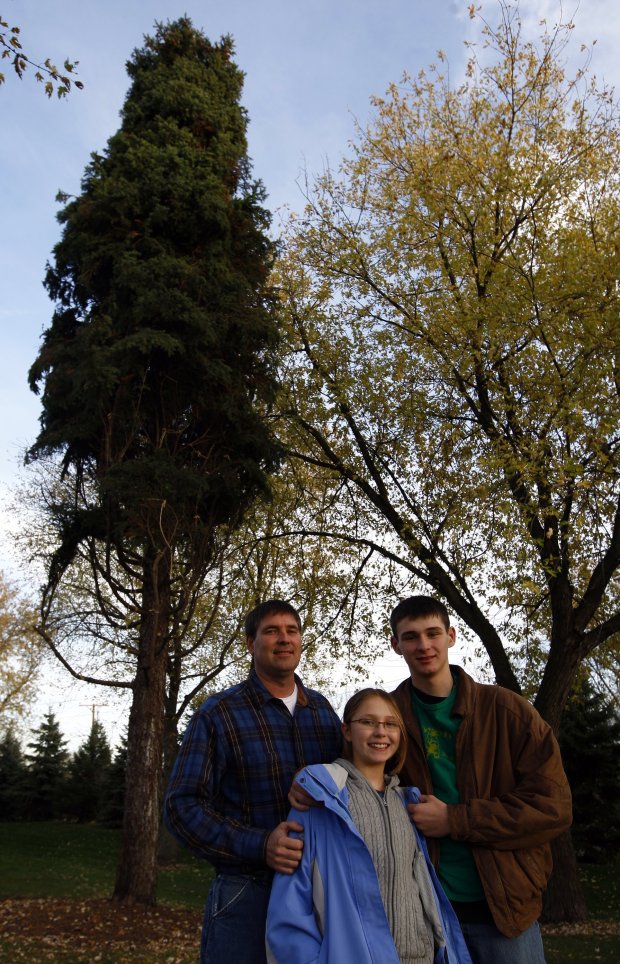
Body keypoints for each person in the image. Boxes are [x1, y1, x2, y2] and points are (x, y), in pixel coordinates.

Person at [389, 595, 572, 964]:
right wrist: (310, 783)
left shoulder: (509, 712)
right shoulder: (388, 718)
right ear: (396, 645)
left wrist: (455, 819)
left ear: (451, 636)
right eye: (410, 637)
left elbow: (553, 808)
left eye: (432, 633)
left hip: (504, 911)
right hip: (425, 913)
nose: (423, 646)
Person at [164, 599, 342, 964]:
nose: (284, 639)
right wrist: (261, 845)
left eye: (292, 631)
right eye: (272, 631)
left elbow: (352, 785)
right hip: (246, 892)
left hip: (320, 893)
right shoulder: (219, 713)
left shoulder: (323, 712)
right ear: (250, 643)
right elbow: (182, 807)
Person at [267, 688, 472, 964]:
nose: (380, 732)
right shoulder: (319, 803)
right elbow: (289, 912)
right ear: (347, 731)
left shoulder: (409, 805)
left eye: (390, 724)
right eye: (367, 722)